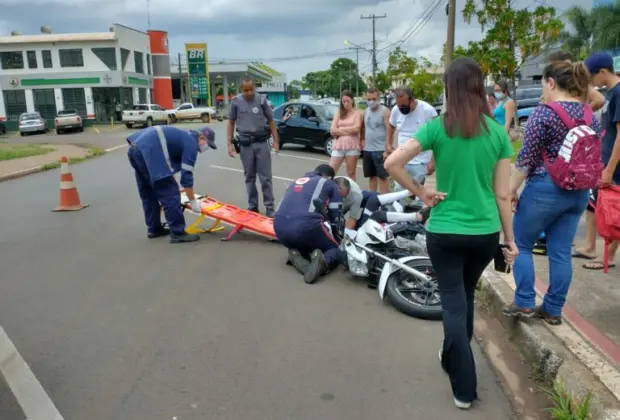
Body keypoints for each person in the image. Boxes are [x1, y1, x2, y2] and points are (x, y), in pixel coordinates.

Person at [384, 57, 517, 410]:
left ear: (450, 88)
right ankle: (451, 356)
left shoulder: (437, 128)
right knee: (465, 295)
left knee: (454, 303)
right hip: (485, 232)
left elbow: (391, 163)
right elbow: (503, 194)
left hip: (445, 231)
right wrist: (510, 239)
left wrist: (421, 192)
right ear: (480, 86)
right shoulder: (499, 133)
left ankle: (463, 386)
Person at [506, 60, 602, 324]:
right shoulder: (587, 113)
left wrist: (510, 191)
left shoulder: (544, 113)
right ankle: (553, 309)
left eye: (543, 84)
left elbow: (525, 160)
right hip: (579, 192)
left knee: (522, 244)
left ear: (550, 82)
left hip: (545, 190)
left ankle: (524, 302)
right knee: (560, 252)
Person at [127, 126, 216, 243]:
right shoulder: (191, 143)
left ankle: (154, 228)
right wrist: (193, 202)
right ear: (201, 137)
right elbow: (186, 176)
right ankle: (178, 233)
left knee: (149, 192)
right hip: (149, 151)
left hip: (135, 150)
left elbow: (168, 162)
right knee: (171, 194)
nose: (205, 148)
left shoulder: (183, 135)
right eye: (207, 144)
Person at [572, 52, 620, 270]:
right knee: (600, 207)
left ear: (602, 71)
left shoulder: (618, 93)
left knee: (614, 211)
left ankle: (608, 256)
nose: (591, 82)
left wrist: (609, 169)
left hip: (615, 164)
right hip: (607, 158)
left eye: (592, 76)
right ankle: (603, 252)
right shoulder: (611, 93)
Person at [274, 164, 343, 284]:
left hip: (279, 227)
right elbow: (336, 216)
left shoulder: (295, 181)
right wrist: (337, 238)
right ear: (330, 177)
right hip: (305, 225)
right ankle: (324, 263)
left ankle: (297, 252)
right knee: (334, 248)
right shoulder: (329, 183)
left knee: (307, 238)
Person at [227, 76, 280, 217]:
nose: (249, 93)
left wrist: (276, 141)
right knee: (249, 177)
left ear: (254, 88)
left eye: (251, 90)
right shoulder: (236, 102)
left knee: (265, 178)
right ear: (241, 90)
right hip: (245, 145)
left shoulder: (262, 101)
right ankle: (253, 207)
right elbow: (231, 123)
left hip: (261, 143)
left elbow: (271, 121)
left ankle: (270, 208)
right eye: (246, 90)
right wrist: (229, 144)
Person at [386, 87, 438, 203]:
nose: (401, 109)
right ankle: (398, 216)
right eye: (399, 106)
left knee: (418, 192)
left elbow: (437, 136)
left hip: (420, 160)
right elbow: (391, 126)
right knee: (399, 191)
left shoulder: (428, 111)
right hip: (401, 159)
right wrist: (388, 144)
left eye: (404, 106)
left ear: (412, 100)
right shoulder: (396, 110)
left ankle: (417, 217)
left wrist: (432, 161)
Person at [361, 87, 391, 194]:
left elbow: (389, 129)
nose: (371, 101)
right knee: (371, 176)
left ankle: (385, 201)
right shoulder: (365, 112)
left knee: (383, 177)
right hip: (368, 149)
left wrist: (387, 148)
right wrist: (362, 140)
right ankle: (372, 199)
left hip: (380, 150)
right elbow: (363, 128)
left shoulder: (385, 111)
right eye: (368, 99)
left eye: (373, 98)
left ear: (378, 98)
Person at [330, 90, 362, 180]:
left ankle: (353, 192)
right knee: (331, 170)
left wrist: (340, 130)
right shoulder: (339, 113)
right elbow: (332, 130)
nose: (346, 103)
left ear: (352, 100)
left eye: (348, 101)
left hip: (352, 146)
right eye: (343, 102)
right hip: (338, 145)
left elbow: (356, 129)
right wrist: (348, 132)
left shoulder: (357, 113)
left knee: (351, 172)